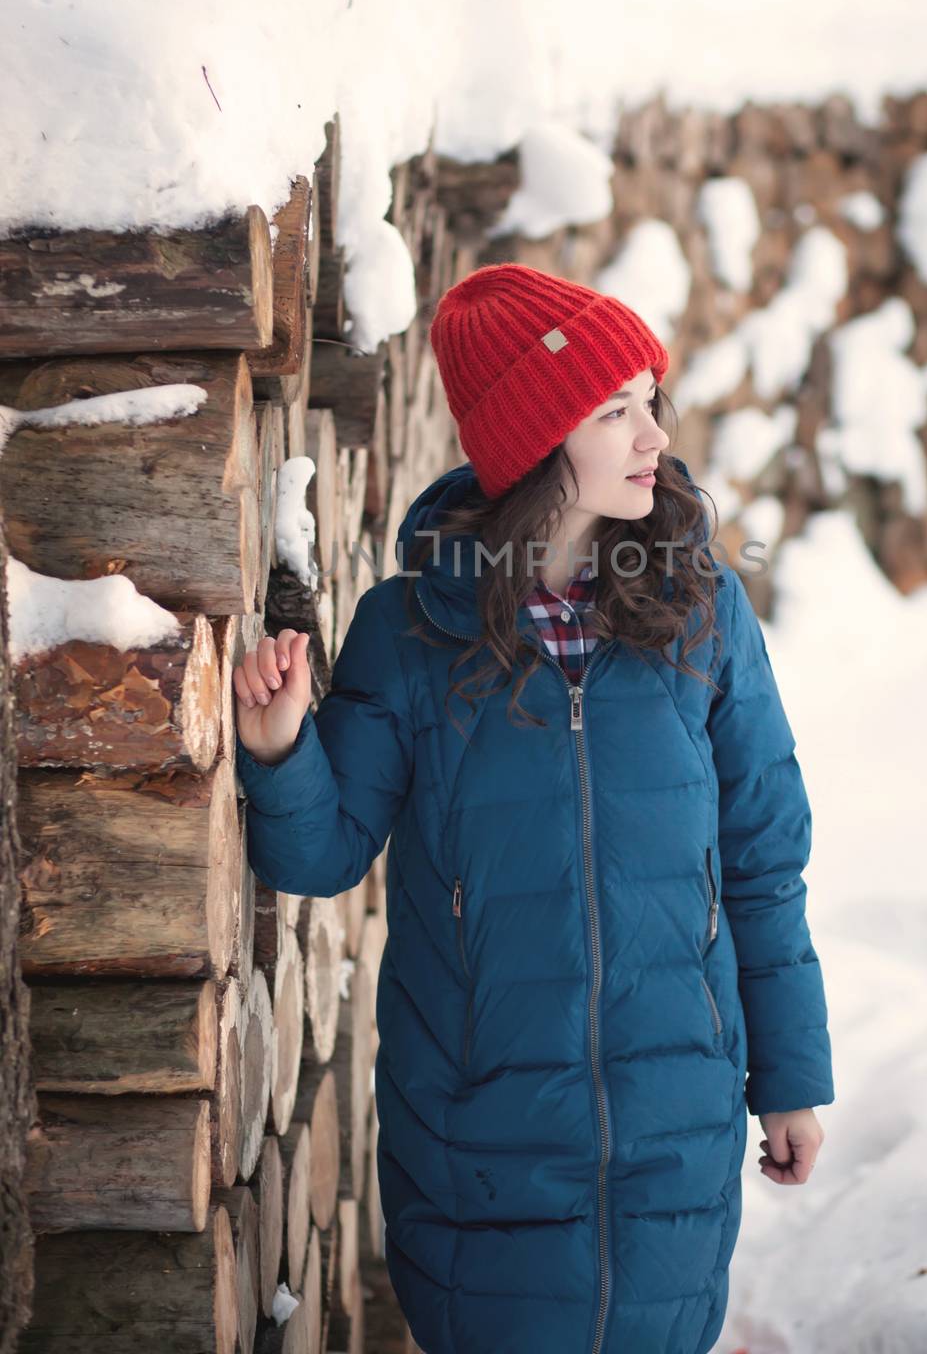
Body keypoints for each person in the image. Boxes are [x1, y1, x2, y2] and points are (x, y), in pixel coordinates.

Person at [234, 262, 835, 1354]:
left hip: (674, 1134)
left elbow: (759, 859)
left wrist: (787, 1079)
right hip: (479, 1142)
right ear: (534, 437)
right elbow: (321, 852)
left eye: (649, 399)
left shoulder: (701, 616)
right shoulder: (410, 632)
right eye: (614, 410)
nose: (652, 433)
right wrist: (280, 752)